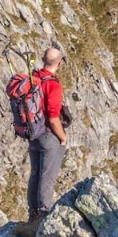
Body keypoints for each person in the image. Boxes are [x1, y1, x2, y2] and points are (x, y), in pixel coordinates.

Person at [27, 47, 68, 221]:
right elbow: (53, 118)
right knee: (47, 176)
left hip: (32, 132)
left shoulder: (33, 79)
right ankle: (43, 213)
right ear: (59, 63)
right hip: (48, 135)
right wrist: (62, 138)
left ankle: (33, 213)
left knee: (35, 173)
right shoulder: (53, 85)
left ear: (43, 59)